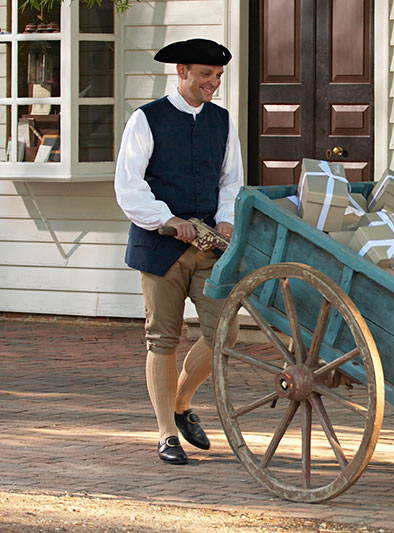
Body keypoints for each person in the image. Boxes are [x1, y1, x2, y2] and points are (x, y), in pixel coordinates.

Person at [114, 39, 242, 465]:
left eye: (219, 76)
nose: (214, 83)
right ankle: (167, 433)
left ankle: (181, 403)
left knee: (224, 332)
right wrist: (167, 220)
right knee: (163, 340)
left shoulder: (222, 121)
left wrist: (226, 218)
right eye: (206, 75)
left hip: (209, 246)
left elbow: (231, 180)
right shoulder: (146, 119)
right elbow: (129, 185)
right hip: (160, 247)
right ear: (182, 72)